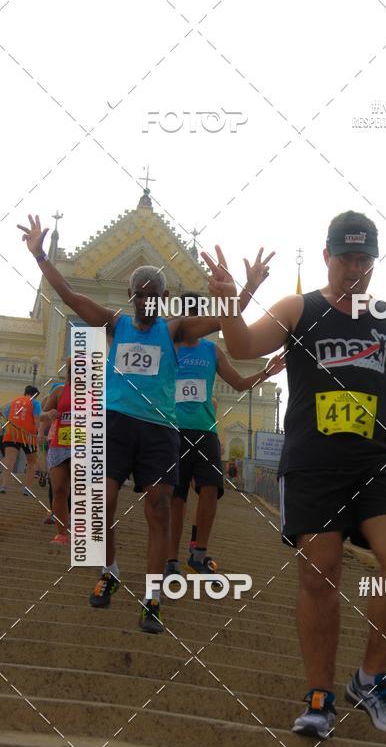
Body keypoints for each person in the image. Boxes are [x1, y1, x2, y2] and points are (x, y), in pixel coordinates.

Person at [206, 210, 386, 739]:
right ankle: (319, 695)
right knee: (321, 567)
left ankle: (370, 677)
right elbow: (245, 347)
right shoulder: (302, 308)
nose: (355, 268)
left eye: (365, 258)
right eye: (346, 257)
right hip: (313, 463)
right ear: (327, 257)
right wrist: (229, 301)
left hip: (373, 460)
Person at [18, 215, 271, 634]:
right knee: (102, 505)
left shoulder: (175, 330)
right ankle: (111, 572)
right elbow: (66, 292)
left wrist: (247, 288)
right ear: (131, 296)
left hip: (159, 430)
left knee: (158, 509)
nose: (146, 302)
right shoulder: (114, 323)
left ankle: (152, 598)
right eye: (140, 296)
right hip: (115, 425)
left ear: (164, 297)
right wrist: (40, 254)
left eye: (153, 296)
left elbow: (226, 317)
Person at [165, 290, 284, 578]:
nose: (192, 319)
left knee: (209, 490)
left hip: (205, 431)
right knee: (176, 498)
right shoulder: (168, 347)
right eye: (186, 313)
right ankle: (170, 560)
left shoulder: (211, 351)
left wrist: (266, 373)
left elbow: (240, 383)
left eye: (196, 313)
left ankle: (198, 551)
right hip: (173, 429)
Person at [39, 357, 72, 545]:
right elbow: (42, 415)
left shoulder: (97, 392)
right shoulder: (60, 390)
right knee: (59, 489)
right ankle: (62, 534)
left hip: (84, 445)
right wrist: (49, 414)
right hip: (59, 444)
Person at [0, 385, 41, 495]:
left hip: (11, 434)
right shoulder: (35, 403)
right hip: (28, 435)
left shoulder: (14, 402)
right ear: (35, 395)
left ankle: (4, 486)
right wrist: (37, 434)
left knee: (9, 461)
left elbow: (7, 417)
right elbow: (37, 419)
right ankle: (27, 489)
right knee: (31, 463)